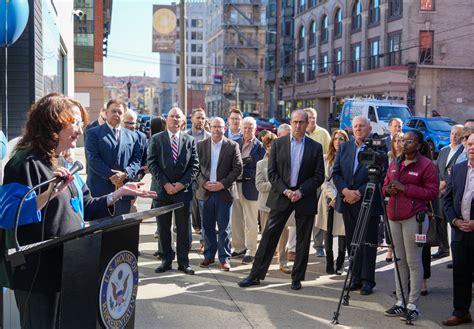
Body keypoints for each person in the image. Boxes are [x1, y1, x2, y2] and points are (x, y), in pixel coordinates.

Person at [0, 93, 156, 329]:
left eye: (81, 124)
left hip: (69, 270)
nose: (80, 131)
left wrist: (120, 193)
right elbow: (8, 215)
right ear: (53, 123)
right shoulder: (24, 162)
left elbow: (86, 206)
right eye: (74, 123)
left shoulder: (61, 164)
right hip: (38, 276)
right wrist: (48, 193)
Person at [238, 110, 324, 290]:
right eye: (295, 122)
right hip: (281, 195)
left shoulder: (315, 147)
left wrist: (300, 191)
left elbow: (318, 176)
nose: (298, 125)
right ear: (290, 123)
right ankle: (255, 275)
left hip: (304, 197)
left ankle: (297, 278)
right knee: (269, 236)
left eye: (301, 122)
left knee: (302, 239)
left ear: (307, 123)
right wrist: (285, 190)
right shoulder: (278, 144)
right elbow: (272, 173)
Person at [382, 130, 438, 322]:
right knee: (399, 261)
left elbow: (432, 192)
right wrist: (388, 189)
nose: (404, 144)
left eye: (409, 141)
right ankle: (400, 302)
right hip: (393, 217)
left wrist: (405, 188)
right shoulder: (395, 162)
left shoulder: (426, 165)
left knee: (413, 262)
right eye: (403, 141)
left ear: (419, 145)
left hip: (414, 218)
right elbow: (385, 186)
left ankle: (412, 304)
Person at [332, 116, 387, 296]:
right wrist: (345, 191)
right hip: (347, 201)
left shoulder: (378, 147)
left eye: (362, 126)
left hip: (368, 201)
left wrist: (359, 193)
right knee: (351, 241)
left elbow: (380, 174)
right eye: (355, 126)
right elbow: (336, 172)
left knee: (368, 242)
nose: (358, 129)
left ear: (369, 128)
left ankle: (367, 281)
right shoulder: (345, 147)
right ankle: (354, 277)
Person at [147, 107, 200, 275]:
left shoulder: (190, 140)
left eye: (178, 117)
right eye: (172, 116)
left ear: (183, 121)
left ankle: (184, 262)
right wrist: (166, 184)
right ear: (166, 120)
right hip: (162, 192)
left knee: (184, 228)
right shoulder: (156, 139)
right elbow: (152, 163)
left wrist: (182, 184)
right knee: (163, 227)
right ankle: (166, 260)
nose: (175, 119)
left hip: (182, 192)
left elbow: (195, 165)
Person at [196, 117, 242, 271]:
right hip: (206, 192)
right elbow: (194, 168)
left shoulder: (232, 146)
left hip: (224, 193)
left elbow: (237, 168)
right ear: (209, 128)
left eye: (220, 127)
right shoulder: (201, 145)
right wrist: (204, 183)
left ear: (225, 128)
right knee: (207, 226)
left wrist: (222, 184)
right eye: (214, 126)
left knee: (224, 228)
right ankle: (209, 256)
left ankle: (224, 258)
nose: (217, 129)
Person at [85, 99, 142, 215]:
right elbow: (93, 159)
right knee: (99, 230)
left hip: (124, 191)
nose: (116, 114)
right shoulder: (93, 133)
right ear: (106, 113)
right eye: (113, 111)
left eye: (120, 112)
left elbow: (136, 160)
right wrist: (112, 176)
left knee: (120, 230)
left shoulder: (133, 136)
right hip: (100, 192)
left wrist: (125, 174)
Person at [441, 132, 474, 326]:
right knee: (460, 274)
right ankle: (461, 312)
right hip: (459, 231)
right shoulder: (459, 169)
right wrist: (454, 220)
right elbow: (447, 199)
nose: (472, 148)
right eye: (469, 144)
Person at [231, 116, 266, 264]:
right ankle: (239, 247)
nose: (247, 130)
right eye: (245, 127)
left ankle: (251, 250)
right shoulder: (235, 143)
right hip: (235, 186)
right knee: (236, 219)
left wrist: (244, 169)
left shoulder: (260, 147)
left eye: (250, 127)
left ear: (255, 129)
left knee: (251, 221)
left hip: (251, 187)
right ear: (241, 128)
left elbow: (262, 169)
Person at [255, 132, 291, 274]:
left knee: (284, 234)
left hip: (282, 203)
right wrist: (276, 183)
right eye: (268, 146)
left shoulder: (284, 162)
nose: (271, 148)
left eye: (273, 145)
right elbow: (259, 185)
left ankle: (283, 261)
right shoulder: (261, 164)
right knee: (266, 235)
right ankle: (264, 262)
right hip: (265, 204)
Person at [315, 130, 349, 275]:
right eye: (335, 139)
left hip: (344, 197)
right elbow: (323, 180)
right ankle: (329, 262)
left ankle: (340, 262)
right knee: (327, 231)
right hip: (327, 198)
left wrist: (339, 197)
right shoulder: (325, 158)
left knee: (343, 232)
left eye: (341, 139)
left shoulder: (349, 158)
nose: (338, 141)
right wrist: (333, 197)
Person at [432, 125, 464, 259]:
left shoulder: (463, 151)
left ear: (461, 136)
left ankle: (456, 253)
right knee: (440, 220)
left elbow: (460, 170)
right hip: (440, 191)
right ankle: (443, 248)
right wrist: (440, 182)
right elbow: (438, 169)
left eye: (457, 134)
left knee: (454, 222)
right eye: (452, 133)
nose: (453, 136)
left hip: (454, 191)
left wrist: (446, 182)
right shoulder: (444, 150)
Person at [304, 107, 331, 258]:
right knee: (305, 214)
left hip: (319, 179)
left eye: (314, 117)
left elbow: (329, 155)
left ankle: (319, 245)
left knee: (320, 213)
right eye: (309, 117)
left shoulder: (323, 133)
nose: (312, 120)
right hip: (303, 181)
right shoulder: (300, 133)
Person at [186, 108, 211, 234]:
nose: (200, 120)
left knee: (204, 212)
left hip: (204, 180)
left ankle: (204, 242)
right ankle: (188, 241)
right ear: (192, 119)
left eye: (203, 118)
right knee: (187, 212)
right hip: (187, 179)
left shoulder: (210, 138)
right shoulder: (184, 136)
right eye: (198, 117)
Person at [123, 110, 148, 213]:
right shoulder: (117, 137)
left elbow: (145, 158)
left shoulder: (141, 137)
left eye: (134, 123)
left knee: (132, 210)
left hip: (134, 180)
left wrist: (141, 172)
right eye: (128, 123)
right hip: (118, 180)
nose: (132, 125)